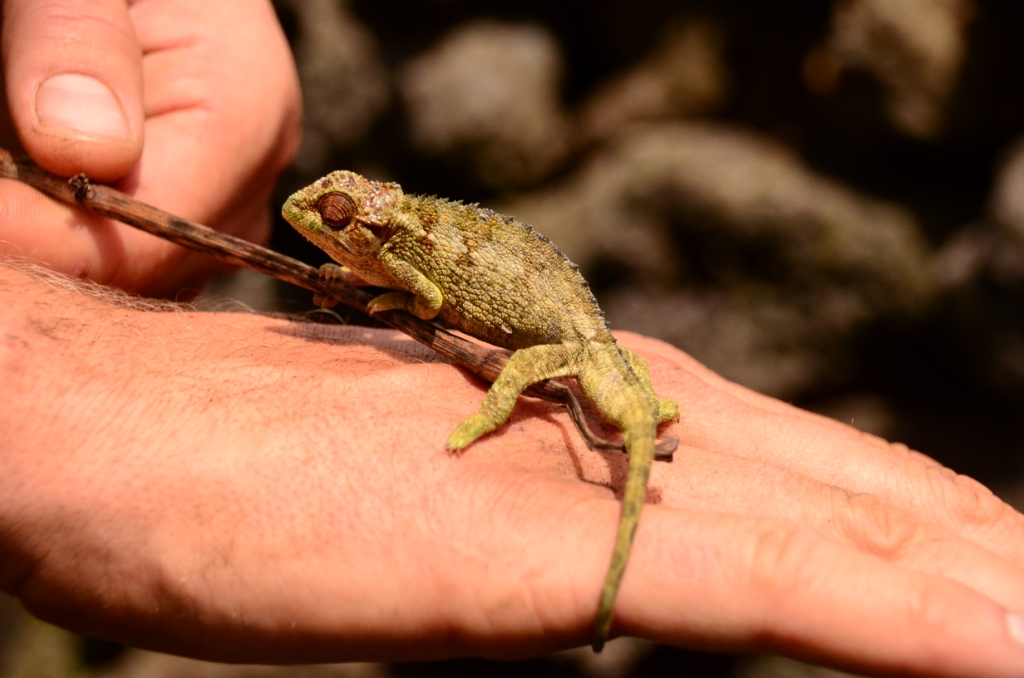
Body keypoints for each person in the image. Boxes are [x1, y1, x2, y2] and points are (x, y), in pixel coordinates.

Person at [2, 2, 1024, 676]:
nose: (316, 221)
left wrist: (479, 402)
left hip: (567, 341)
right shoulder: (390, 234)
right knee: (627, 391)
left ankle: (543, 434)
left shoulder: (399, 253)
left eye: (338, 218)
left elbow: (418, 298)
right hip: (587, 334)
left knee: (583, 401)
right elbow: (414, 289)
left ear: (370, 223)